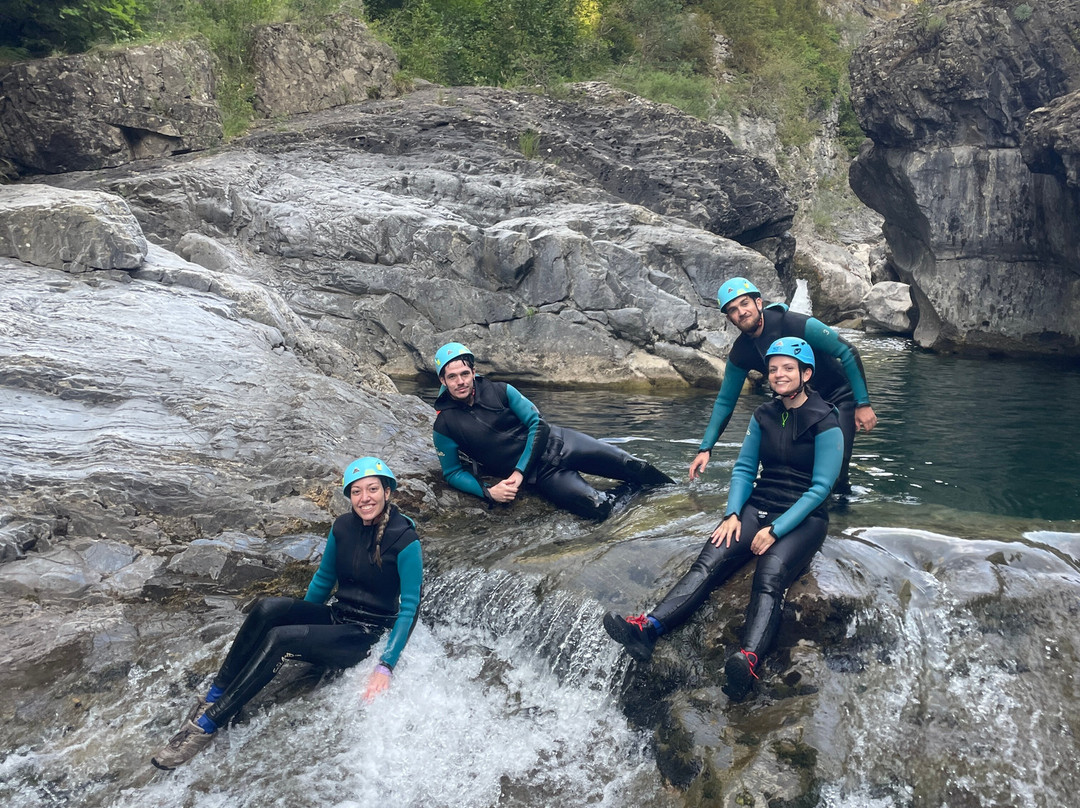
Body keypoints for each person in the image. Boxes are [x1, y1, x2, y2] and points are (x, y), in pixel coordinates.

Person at [604, 338, 843, 701]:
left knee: (769, 576)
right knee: (708, 561)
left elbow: (822, 488)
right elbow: (745, 469)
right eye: (774, 368)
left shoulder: (827, 420)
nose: (778, 375)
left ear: (806, 374)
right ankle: (649, 629)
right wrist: (733, 513)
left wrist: (775, 530)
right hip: (760, 504)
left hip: (805, 516)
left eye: (788, 368)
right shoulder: (764, 414)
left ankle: (747, 661)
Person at [151, 457, 423, 770]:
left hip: (367, 634)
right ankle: (215, 694)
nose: (365, 498)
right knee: (269, 607)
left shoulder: (405, 540)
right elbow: (323, 579)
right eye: (357, 491)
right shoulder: (342, 528)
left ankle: (208, 724)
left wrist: (385, 665)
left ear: (387, 491)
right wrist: (304, 624)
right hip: (339, 616)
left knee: (282, 639)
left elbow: (410, 607)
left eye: (373, 489)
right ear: (349, 497)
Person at [431, 342, 673, 521]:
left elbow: (539, 424)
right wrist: (488, 492)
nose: (460, 381)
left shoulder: (501, 390)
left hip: (561, 444)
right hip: (541, 476)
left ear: (474, 372)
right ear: (443, 381)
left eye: (465, 374)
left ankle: (676, 494)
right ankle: (636, 498)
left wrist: (518, 472)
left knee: (635, 466)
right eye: (452, 377)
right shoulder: (445, 425)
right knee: (598, 508)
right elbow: (451, 472)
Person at [689, 277, 876, 495]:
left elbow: (847, 351)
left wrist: (862, 404)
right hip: (795, 404)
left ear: (758, 303)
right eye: (733, 310)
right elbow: (725, 400)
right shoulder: (741, 352)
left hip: (837, 398)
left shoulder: (795, 323)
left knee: (836, 473)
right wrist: (706, 448)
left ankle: (839, 524)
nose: (741, 312)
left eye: (744, 303)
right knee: (791, 468)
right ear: (730, 318)